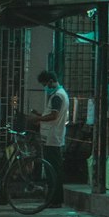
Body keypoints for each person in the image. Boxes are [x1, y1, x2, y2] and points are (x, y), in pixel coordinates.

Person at [29, 69, 69, 205]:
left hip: (52, 138)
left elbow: (54, 115)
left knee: (52, 170)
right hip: (54, 136)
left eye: (45, 84)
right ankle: (55, 199)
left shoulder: (57, 96)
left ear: (51, 81)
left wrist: (38, 118)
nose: (45, 88)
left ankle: (54, 200)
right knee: (54, 169)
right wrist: (39, 114)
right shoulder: (61, 94)